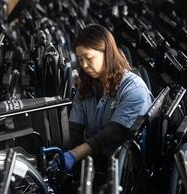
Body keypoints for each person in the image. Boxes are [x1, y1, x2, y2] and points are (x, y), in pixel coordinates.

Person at [51, 24, 153, 171]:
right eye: (80, 60)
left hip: (120, 170)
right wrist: (60, 152)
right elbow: (74, 129)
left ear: (107, 53)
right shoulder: (86, 86)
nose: (84, 65)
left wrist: (74, 155)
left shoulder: (134, 89)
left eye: (88, 58)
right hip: (93, 163)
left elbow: (113, 134)